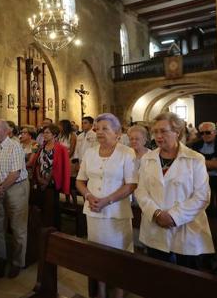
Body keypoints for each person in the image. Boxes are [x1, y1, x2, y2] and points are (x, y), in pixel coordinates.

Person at [135, 112, 214, 270]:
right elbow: (141, 191)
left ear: (177, 132)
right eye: (155, 131)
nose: (158, 136)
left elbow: (202, 196)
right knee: (159, 276)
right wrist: (157, 213)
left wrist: (173, 216)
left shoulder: (195, 158)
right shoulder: (147, 158)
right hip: (155, 226)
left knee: (186, 279)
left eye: (163, 131)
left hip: (186, 227)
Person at [75, 113, 137, 298]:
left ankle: (119, 293)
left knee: (119, 257)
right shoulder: (90, 152)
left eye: (105, 128)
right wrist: (88, 195)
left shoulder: (127, 153)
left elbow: (131, 184)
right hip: (94, 212)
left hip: (117, 213)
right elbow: (80, 180)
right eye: (97, 128)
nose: (99, 132)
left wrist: (107, 200)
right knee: (97, 256)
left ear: (117, 133)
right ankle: (100, 291)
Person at [0, 119, 29, 279]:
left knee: (18, 227)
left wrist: (1, 188)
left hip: (16, 188)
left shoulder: (14, 147)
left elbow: (16, 173)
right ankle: (2, 257)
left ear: (5, 131)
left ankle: (18, 262)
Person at [28, 124, 71, 230]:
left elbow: (61, 167)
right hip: (39, 181)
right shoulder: (41, 147)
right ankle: (40, 229)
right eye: (44, 133)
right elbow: (37, 163)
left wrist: (47, 181)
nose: (44, 135)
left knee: (51, 208)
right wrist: (38, 177)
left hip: (52, 182)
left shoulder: (61, 148)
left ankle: (53, 232)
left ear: (54, 135)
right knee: (39, 207)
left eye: (47, 133)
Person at [190, 121, 217, 219]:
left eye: (208, 132)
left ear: (215, 132)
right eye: (202, 133)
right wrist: (210, 163)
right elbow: (191, 163)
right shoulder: (195, 144)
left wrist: (198, 162)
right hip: (199, 176)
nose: (205, 135)